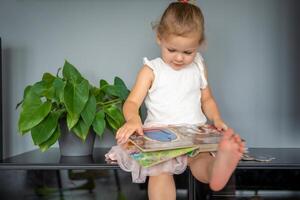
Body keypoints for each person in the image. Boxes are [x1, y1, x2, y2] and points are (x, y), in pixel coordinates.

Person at [108, 1, 245, 199]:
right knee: (160, 171)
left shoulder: (198, 66)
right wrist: (133, 119)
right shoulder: (151, 70)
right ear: (159, 38)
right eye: (172, 50)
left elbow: (207, 100)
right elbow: (131, 103)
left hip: (194, 133)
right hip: (160, 138)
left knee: (201, 160)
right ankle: (213, 169)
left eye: (188, 52)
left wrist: (216, 119)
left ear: (199, 45)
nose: (179, 58)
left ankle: (217, 169)